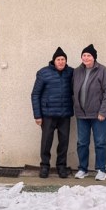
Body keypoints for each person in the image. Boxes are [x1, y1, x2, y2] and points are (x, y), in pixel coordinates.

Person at [31, 47, 74, 178]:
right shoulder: (43, 73)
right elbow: (35, 94)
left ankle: (61, 166)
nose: (61, 62)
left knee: (64, 142)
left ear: (66, 61)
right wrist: (37, 115)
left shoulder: (71, 72)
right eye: (58, 59)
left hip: (65, 115)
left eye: (63, 59)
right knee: (46, 142)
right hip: (48, 115)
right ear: (53, 61)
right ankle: (44, 166)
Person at [73, 44, 106, 181]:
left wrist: (103, 111)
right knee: (82, 143)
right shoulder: (77, 71)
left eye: (88, 55)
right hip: (81, 115)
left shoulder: (103, 71)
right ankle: (82, 169)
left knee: (100, 142)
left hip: (98, 115)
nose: (86, 57)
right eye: (84, 55)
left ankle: (101, 169)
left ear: (94, 57)